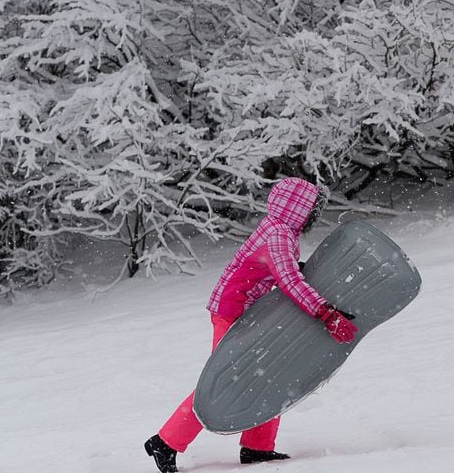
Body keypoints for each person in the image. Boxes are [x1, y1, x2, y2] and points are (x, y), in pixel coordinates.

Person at [144, 177, 358, 472]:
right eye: (312, 210)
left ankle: (258, 447)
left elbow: (277, 269)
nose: (313, 216)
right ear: (300, 209)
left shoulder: (279, 230)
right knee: (224, 381)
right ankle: (164, 442)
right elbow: (289, 281)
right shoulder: (278, 235)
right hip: (232, 311)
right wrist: (325, 313)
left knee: (268, 374)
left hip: (246, 312)